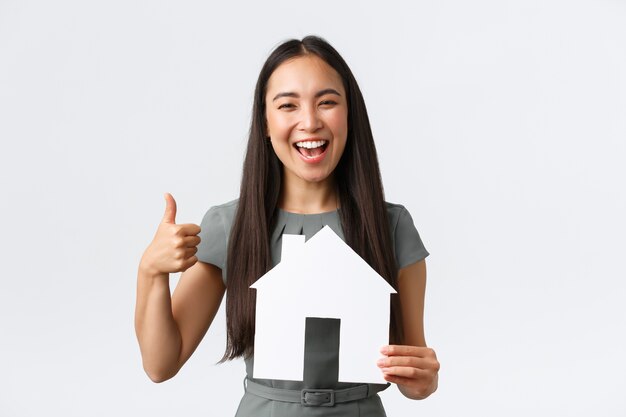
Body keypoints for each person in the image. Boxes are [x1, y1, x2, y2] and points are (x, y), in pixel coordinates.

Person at [135, 35, 440, 416]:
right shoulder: (230, 226)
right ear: (265, 122)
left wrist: (424, 380)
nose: (309, 122)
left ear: (350, 114)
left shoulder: (391, 227)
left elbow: (413, 370)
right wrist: (151, 271)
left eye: (327, 102)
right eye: (288, 105)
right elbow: (161, 364)